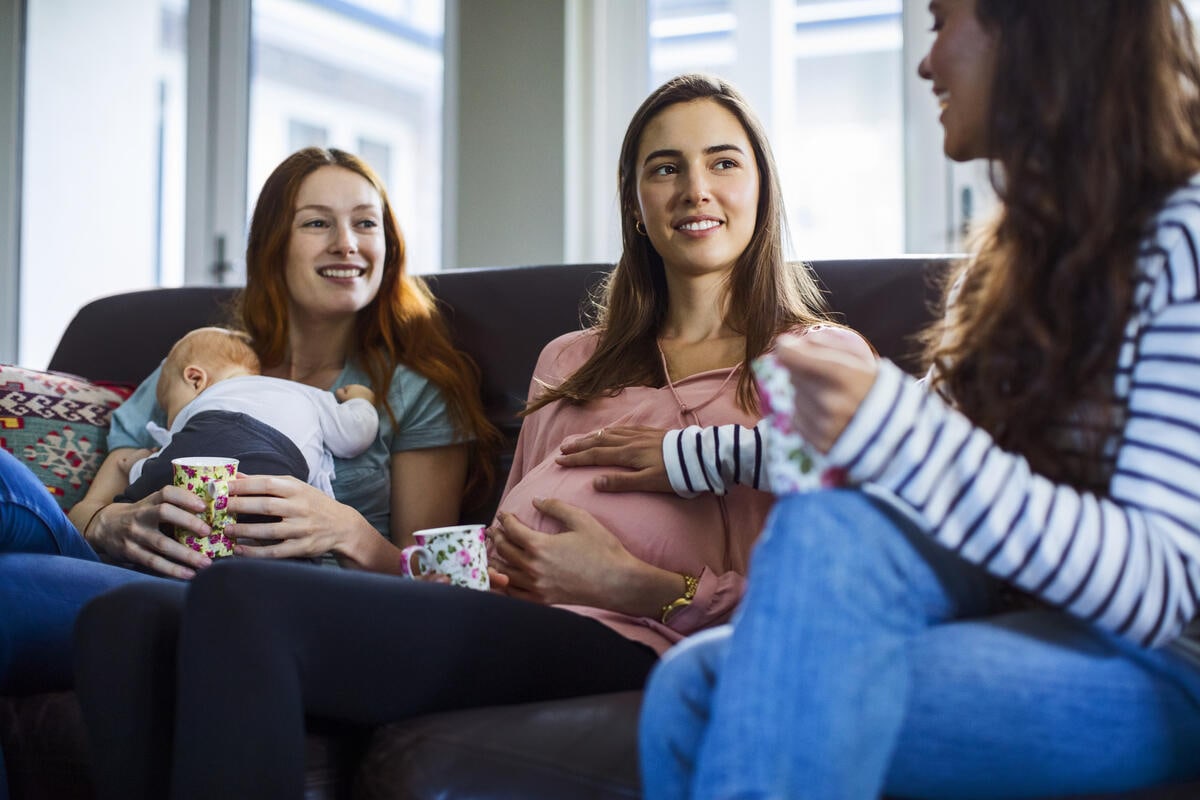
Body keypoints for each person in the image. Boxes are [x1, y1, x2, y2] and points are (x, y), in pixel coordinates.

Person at [71, 73, 873, 800]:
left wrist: (631, 583)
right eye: (665, 168)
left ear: (763, 187)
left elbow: (834, 602)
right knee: (125, 622)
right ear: (634, 201)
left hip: (633, 636)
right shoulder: (572, 359)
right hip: (495, 612)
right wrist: (406, 562)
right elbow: (489, 548)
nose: (695, 188)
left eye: (724, 162)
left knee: (242, 598)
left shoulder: (817, 362)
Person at [638, 2, 1200, 798]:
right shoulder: (1006, 263)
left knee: (712, 697)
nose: (926, 62)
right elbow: (917, 449)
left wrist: (894, 427)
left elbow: (1159, 587)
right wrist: (690, 454)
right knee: (693, 680)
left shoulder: (1184, 237)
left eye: (940, 21)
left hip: (1166, 664)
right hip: (1024, 611)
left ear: (1034, 28)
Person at [0, 146, 496, 700]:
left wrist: (347, 529)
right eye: (317, 223)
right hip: (131, 575)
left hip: (277, 606)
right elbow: (96, 498)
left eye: (365, 223)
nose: (347, 243)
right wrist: (108, 521)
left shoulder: (415, 390)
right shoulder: (203, 365)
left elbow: (432, 579)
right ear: (272, 245)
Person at [121, 326, 378, 503]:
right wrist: (361, 400)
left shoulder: (208, 406)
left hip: (211, 437)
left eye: (169, 408)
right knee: (288, 535)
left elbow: (165, 464)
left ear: (196, 379)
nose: (169, 423)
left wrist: (137, 464)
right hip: (278, 474)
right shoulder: (308, 394)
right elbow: (355, 434)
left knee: (149, 490)